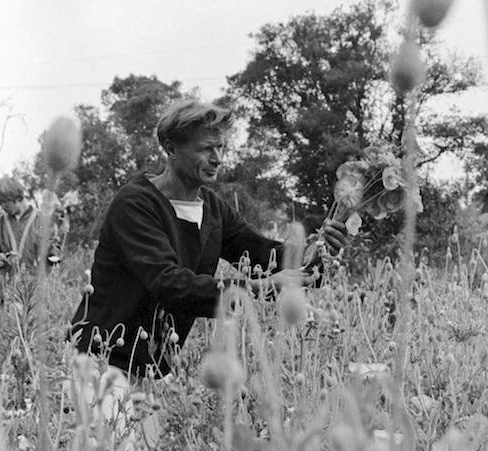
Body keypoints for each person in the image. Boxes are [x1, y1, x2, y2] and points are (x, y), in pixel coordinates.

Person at [69, 99, 347, 377]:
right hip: (101, 361)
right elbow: (170, 284)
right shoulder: (136, 204)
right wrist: (259, 288)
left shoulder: (213, 209)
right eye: (206, 148)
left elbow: (267, 257)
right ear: (171, 148)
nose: (218, 158)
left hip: (153, 369)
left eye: (221, 147)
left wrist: (320, 251)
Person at [0, 176, 60, 290]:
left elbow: (56, 255)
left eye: (5, 203)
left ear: (17, 197)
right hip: (4, 294)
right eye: (0, 203)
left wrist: (49, 253)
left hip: (36, 294)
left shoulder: (44, 221)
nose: (3, 207)